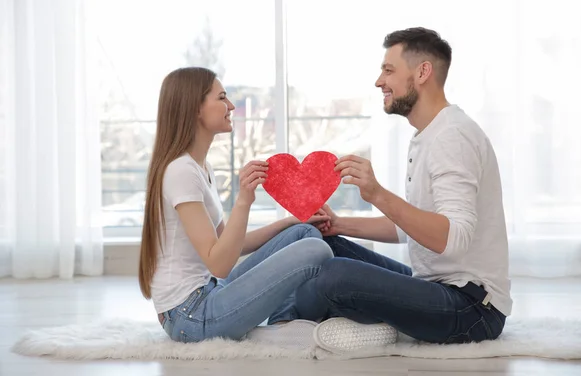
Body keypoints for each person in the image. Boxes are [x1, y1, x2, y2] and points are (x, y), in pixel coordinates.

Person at [293, 27, 512, 354]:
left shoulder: (452, 137)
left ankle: (288, 328)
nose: (379, 81)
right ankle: (375, 322)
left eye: (388, 70)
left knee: (333, 276)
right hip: (433, 285)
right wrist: (339, 225)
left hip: (472, 309)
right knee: (321, 245)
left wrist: (377, 194)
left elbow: (451, 239)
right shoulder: (430, 133)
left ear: (422, 72)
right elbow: (413, 225)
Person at [138, 67, 334, 346]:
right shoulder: (181, 171)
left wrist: (291, 221)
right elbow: (219, 263)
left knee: (303, 234)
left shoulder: (201, 167)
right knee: (317, 250)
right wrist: (244, 200)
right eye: (222, 98)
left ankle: (282, 321)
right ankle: (285, 322)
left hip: (210, 291)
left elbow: (229, 244)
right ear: (195, 108)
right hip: (191, 316)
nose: (231, 106)